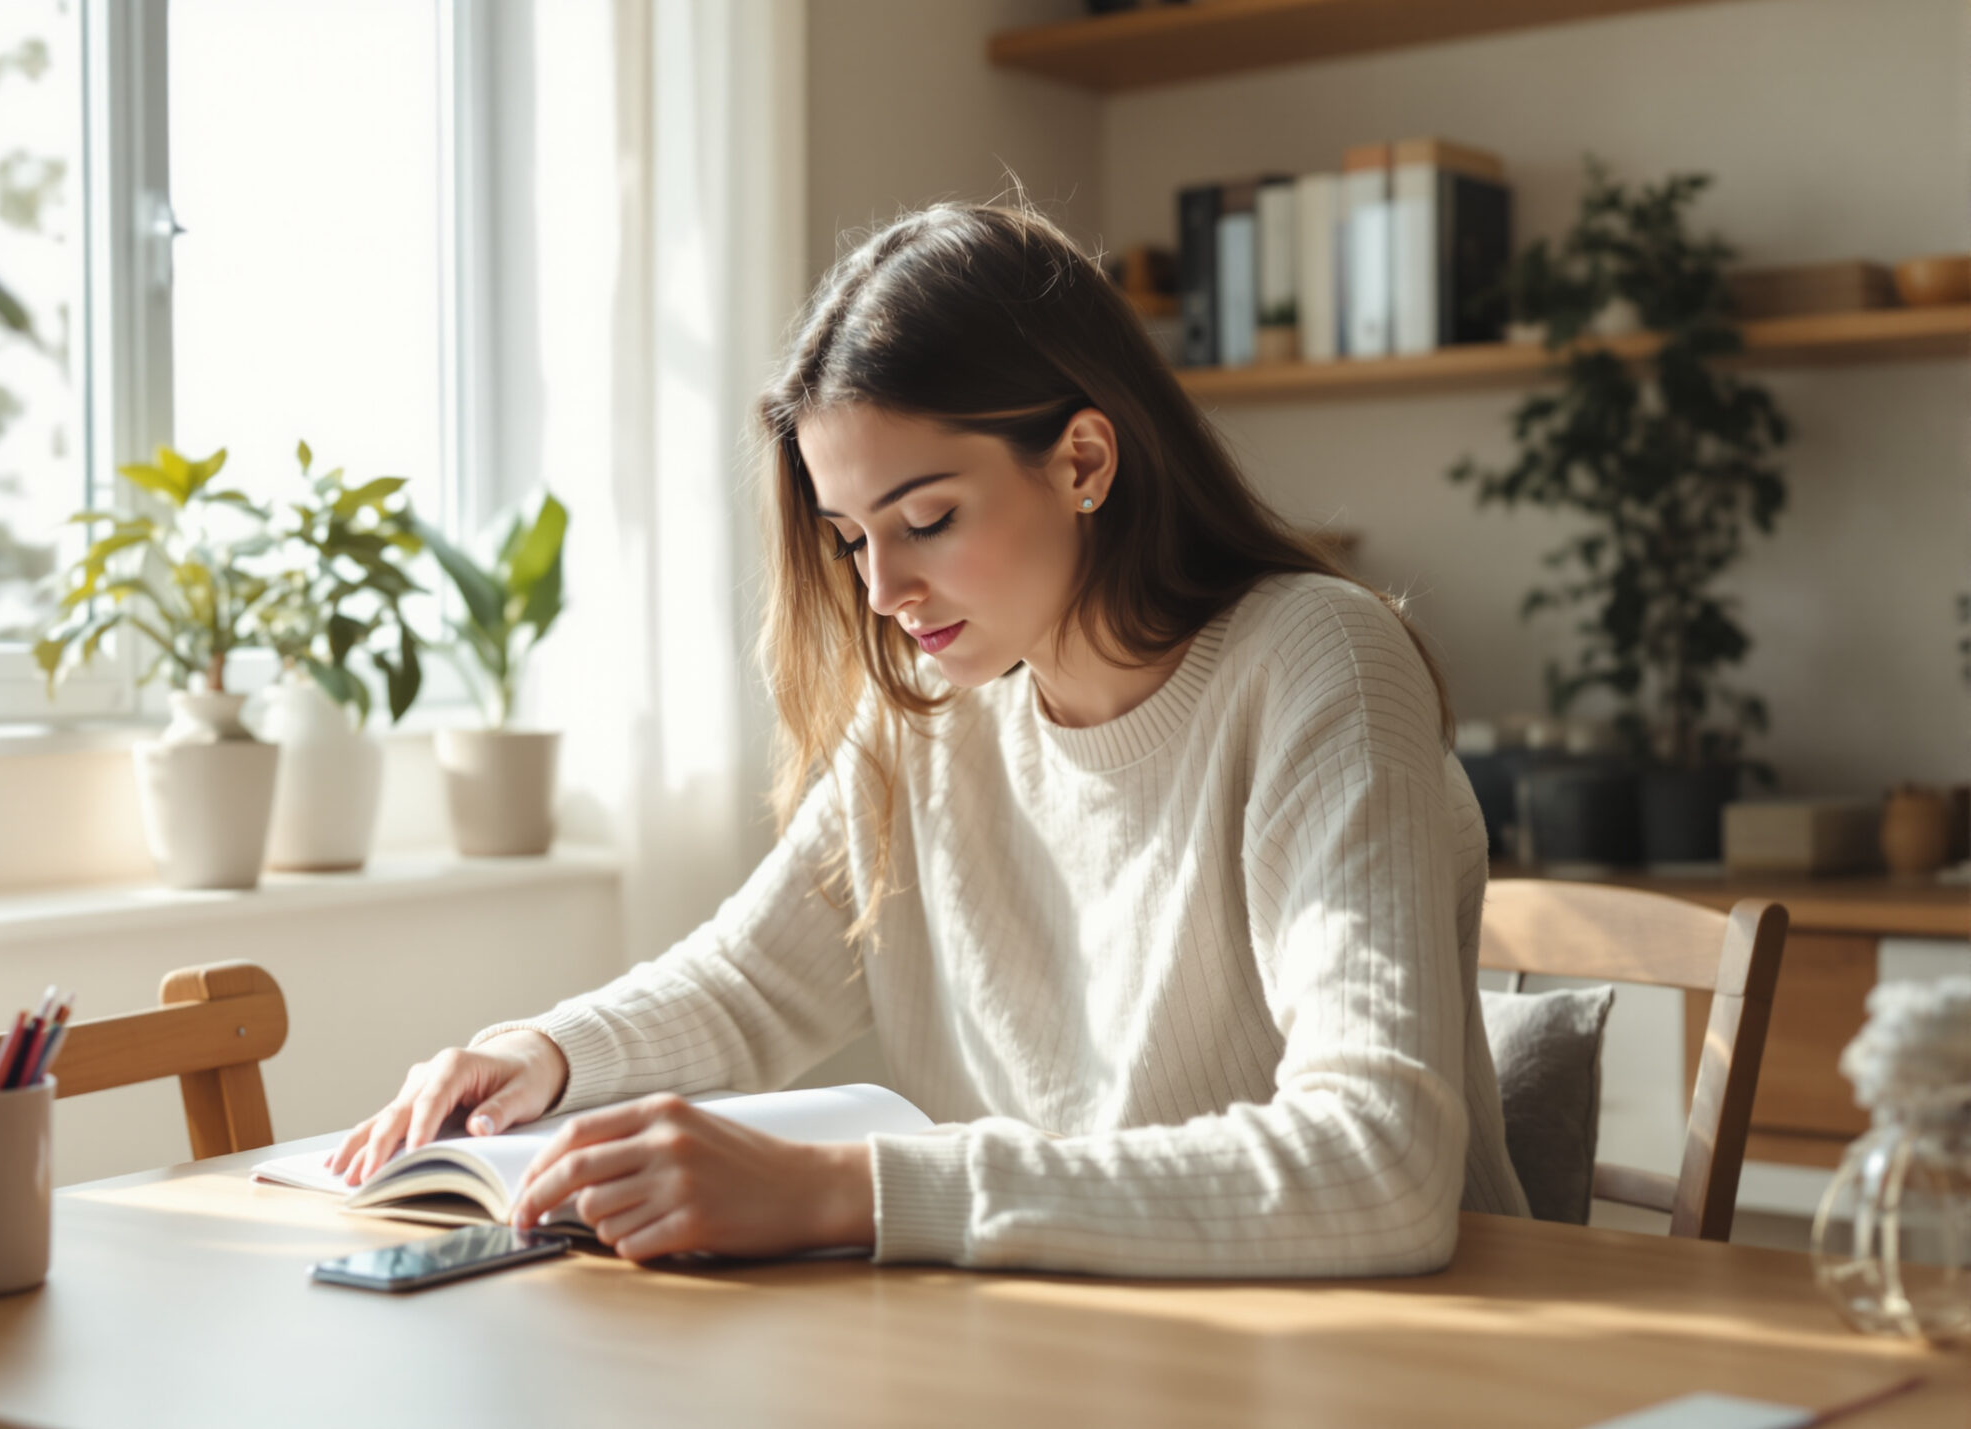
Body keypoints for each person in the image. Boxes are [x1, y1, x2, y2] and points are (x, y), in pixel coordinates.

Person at [330, 200, 1529, 1278]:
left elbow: (1379, 1163)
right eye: (852, 538)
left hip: (1382, 1359)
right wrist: (544, 1050)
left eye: (927, 519)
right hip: (1069, 1346)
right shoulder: (932, 701)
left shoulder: (1316, 661)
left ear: (1083, 460)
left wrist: (848, 1190)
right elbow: (756, 978)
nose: (883, 588)